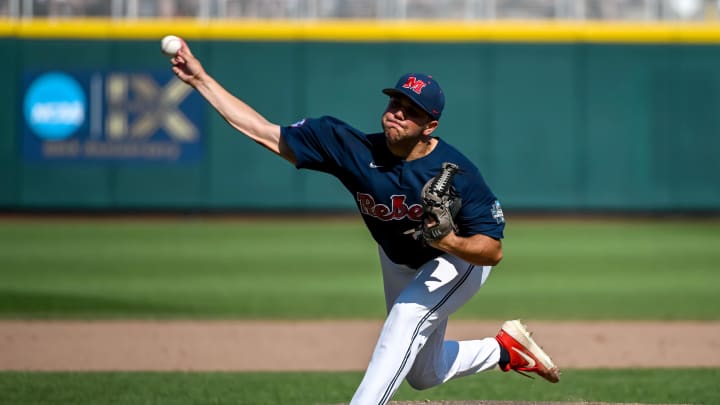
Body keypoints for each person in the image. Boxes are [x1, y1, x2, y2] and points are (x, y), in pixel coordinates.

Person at [167, 40, 560, 405]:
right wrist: (201, 79)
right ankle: (504, 349)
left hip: (457, 260)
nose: (398, 114)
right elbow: (265, 133)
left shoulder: (458, 173)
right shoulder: (350, 147)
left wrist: (450, 243)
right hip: (398, 259)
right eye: (395, 103)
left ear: (430, 126)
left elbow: (493, 251)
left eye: (411, 111)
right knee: (424, 373)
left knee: (406, 317)